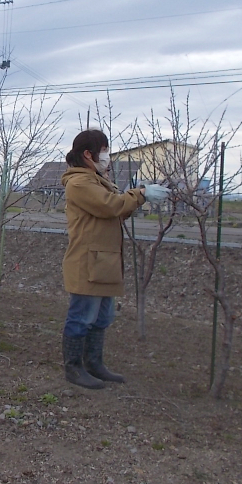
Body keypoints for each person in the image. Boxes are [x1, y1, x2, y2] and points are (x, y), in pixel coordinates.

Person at [60, 130, 169, 389]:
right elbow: (110, 206)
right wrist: (140, 194)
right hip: (87, 262)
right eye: (105, 150)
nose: (108, 156)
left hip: (104, 261)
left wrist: (133, 199)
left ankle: (94, 364)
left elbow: (115, 212)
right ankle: (74, 368)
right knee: (82, 317)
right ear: (88, 154)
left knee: (101, 318)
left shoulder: (98, 181)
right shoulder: (79, 183)